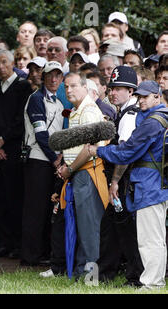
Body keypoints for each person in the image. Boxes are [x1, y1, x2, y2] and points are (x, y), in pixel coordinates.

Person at [89, 80, 168, 289]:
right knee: (156, 238)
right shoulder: (163, 119)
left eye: (145, 97)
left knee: (149, 240)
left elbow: (127, 151)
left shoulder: (152, 122)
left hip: (149, 186)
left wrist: (98, 151)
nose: (140, 100)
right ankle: (155, 281)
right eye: (139, 96)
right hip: (158, 184)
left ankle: (152, 283)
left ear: (157, 96)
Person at [57, 73, 109, 278]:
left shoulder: (88, 111)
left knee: (90, 228)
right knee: (82, 226)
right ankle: (81, 273)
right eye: (66, 87)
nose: (69, 90)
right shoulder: (78, 110)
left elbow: (89, 150)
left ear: (86, 88)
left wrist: (69, 169)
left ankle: (91, 277)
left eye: (73, 86)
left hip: (88, 173)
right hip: (79, 173)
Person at [0, 49, 34, 258]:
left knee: (16, 198)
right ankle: (4, 242)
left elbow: (21, 120)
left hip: (15, 151)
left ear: (13, 63)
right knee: (0, 198)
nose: (1, 67)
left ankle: (18, 244)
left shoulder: (23, 87)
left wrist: (3, 142)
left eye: (5, 62)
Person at [96, 66, 144, 286]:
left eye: (119, 89)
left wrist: (115, 182)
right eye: (112, 88)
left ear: (131, 91)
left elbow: (124, 154)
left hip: (124, 181)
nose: (113, 93)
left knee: (124, 229)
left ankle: (134, 276)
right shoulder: (126, 112)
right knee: (113, 227)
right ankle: (106, 273)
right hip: (125, 181)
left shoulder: (129, 115)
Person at [21, 61, 64, 265]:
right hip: (38, 160)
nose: (54, 79)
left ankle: (42, 253)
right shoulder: (36, 99)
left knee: (47, 209)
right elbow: (40, 134)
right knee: (35, 210)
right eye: (50, 75)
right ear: (43, 77)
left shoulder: (59, 104)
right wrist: (56, 159)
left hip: (51, 161)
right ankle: (30, 257)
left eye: (58, 75)